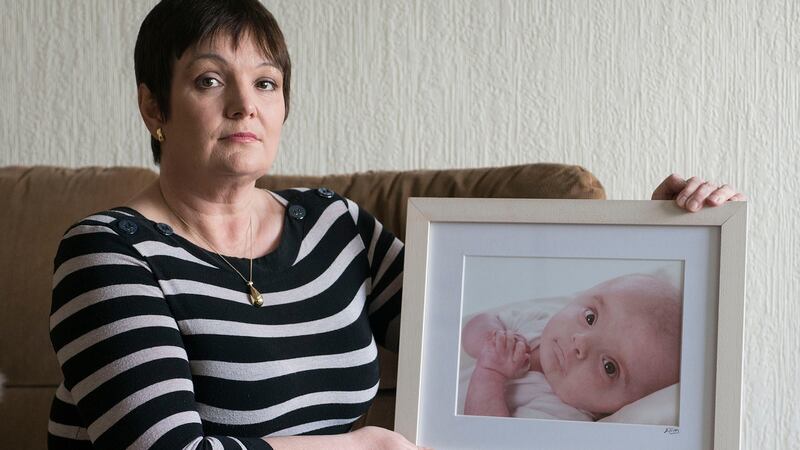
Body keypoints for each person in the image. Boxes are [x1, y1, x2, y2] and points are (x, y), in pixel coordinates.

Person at [46, 0, 744, 449]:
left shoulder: (335, 228)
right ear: (153, 108)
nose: (244, 105)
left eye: (265, 82)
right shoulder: (107, 253)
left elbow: (471, 324)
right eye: (207, 80)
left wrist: (657, 231)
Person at [460, 274, 681, 422]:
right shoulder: (539, 323)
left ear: (619, 407)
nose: (581, 342)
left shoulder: (561, 415)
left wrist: (491, 373)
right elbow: (476, 325)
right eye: (590, 317)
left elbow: (486, 439)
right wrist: (490, 340)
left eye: (609, 367)